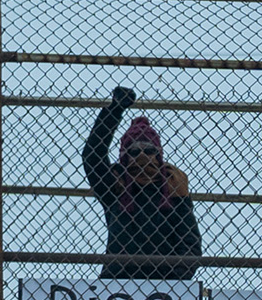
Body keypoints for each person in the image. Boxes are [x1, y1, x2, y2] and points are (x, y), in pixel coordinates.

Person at [81, 85, 202, 279]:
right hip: (118, 279)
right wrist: (115, 110)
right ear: (125, 157)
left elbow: (190, 242)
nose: (143, 157)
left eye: (149, 151)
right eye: (135, 152)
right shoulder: (116, 187)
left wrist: (175, 280)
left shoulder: (173, 187)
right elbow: (92, 156)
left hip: (165, 281)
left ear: (159, 155)